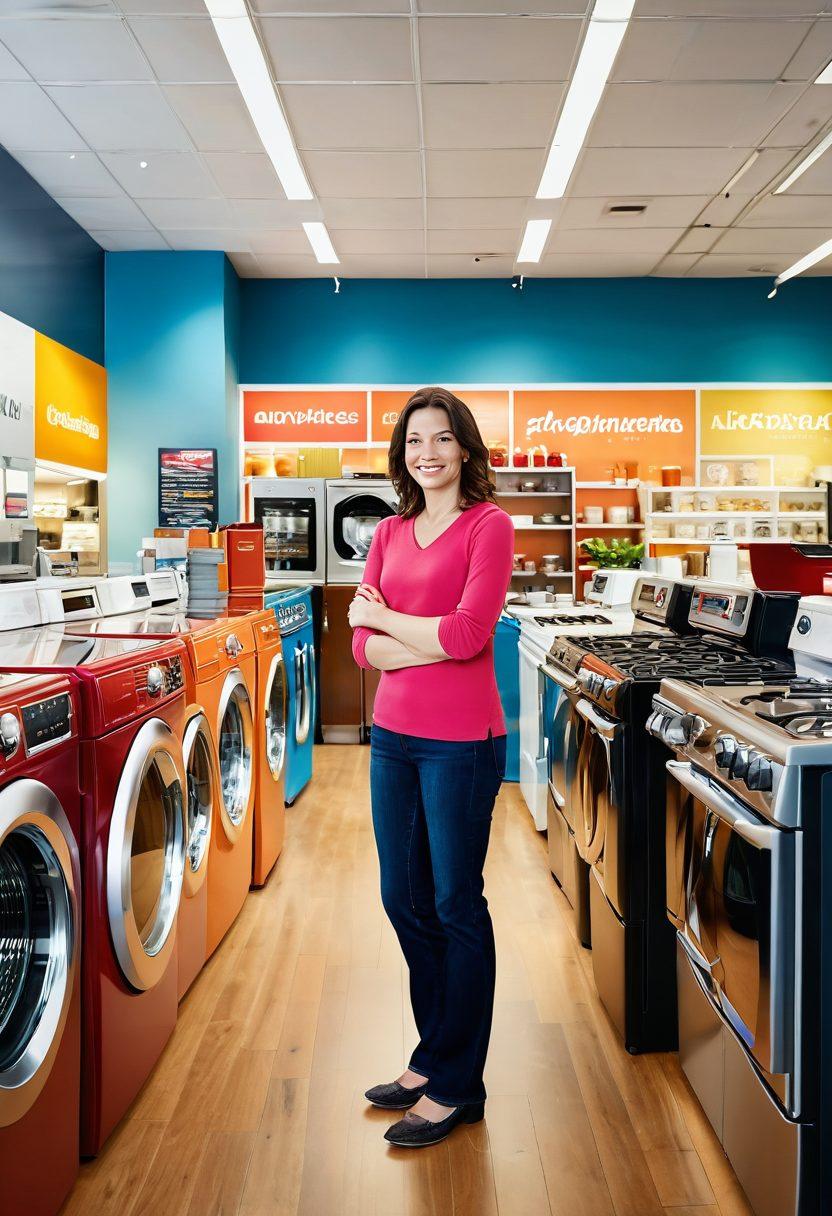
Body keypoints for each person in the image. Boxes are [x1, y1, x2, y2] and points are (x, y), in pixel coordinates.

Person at [348, 386, 514, 1149]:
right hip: (392, 737)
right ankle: (432, 1054)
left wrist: (385, 620)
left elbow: (471, 634)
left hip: (462, 744)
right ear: (402, 453)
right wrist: (421, 637)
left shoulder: (490, 526)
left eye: (442, 439)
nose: (428, 453)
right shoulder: (388, 532)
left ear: (465, 448)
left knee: (454, 903)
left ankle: (455, 1085)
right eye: (415, 440)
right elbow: (363, 649)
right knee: (402, 898)